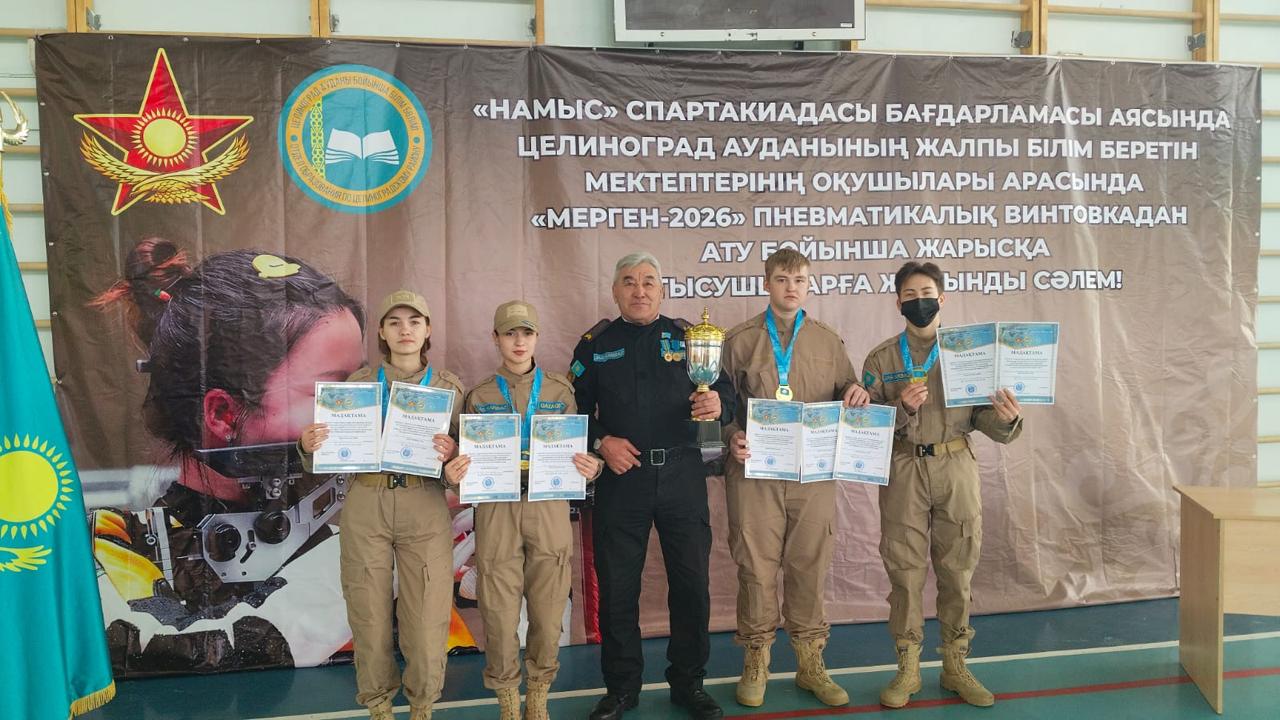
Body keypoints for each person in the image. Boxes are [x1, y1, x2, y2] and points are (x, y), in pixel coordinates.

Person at [88, 238, 366, 675]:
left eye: (357, 389)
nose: (356, 412)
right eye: (327, 392)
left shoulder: (344, 542)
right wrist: (364, 575)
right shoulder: (111, 543)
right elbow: (169, 652)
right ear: (221, 413)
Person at [571, 252, 735, 720]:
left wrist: (717, 406)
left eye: (648, 282)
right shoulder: (594, 346)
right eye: (628, 281)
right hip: (623, 480)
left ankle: (689, 684)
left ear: (662, 291)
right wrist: (601, 441)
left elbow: (727, 393)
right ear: (615, 291)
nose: (639, 290)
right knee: (618, 589)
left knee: (692, 585)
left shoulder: (690, 339)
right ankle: (622, 689)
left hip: (683, 475)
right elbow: (571, 412)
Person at [862, 261, 1023, 709]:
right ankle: (908, 668)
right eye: (910, 295)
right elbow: (864, 427)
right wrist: (902, 408)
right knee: (904, 571)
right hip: (903, 468)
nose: (920, 302)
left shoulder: (969, 353)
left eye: (927, 294)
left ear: (942, 298)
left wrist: (1007, 417)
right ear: (898, 302)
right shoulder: (881, 359)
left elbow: (984, 419)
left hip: (955, 466)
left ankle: (956, 665)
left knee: (958, 569)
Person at [300, 290, 463, 720]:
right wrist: (309, 446)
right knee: (367, 611)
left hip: (423, 503)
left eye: (414, 321)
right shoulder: (357, 386)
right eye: (395, 322)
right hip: (367, 502)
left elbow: (465, 462)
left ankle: (422, 703)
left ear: (427, 330)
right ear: (381, 332)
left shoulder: (448, 388)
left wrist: (453, 454)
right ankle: (379, 705)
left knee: (427, 614)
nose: (405, 330)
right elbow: (328, 454)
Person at [720, 248, 869, 708]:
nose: (791, 288)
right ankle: (756, 660)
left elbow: (846, 390)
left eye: (800, 280)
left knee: (810, 564)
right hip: (755, 474)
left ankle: (810, 663)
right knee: (755, 567)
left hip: (813, 476)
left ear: (809, 285)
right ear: (767, 283)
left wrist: (855, 392)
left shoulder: (828, 341)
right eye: (782, 279)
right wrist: (731, 436)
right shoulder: (739, 340)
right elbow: (717, 406)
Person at [443, 300, 603, 720]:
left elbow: (577, 452)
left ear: (537, 338)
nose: (519, 341)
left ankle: (539, 695)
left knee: (549, 613)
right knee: (498, 613)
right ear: (495, 338)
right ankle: (507, 700)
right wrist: (454, 471)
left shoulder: (559, 391)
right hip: (498, 511)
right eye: (510, 333)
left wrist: (592, 467)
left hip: (548, 509)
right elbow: (461, 462)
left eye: (526, 333)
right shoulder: (479, 395)